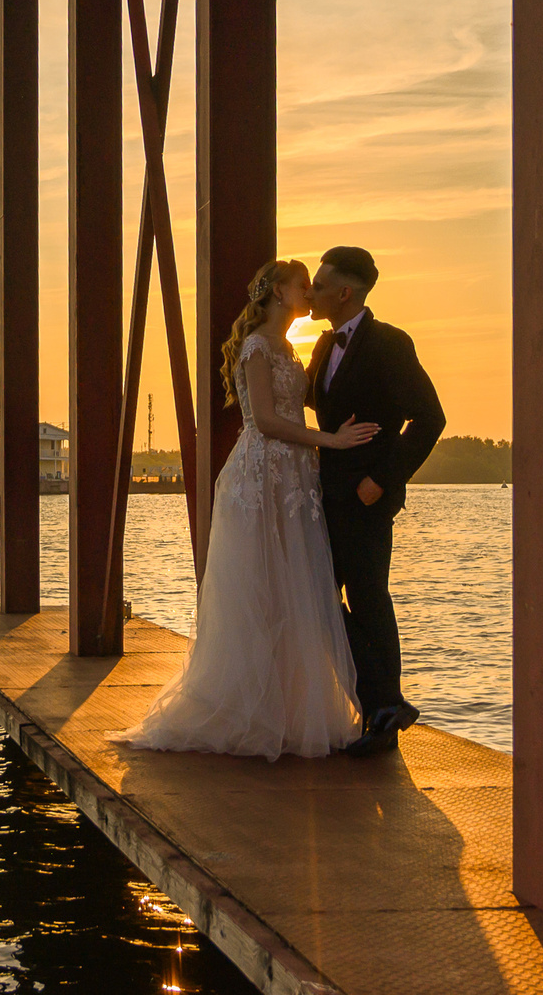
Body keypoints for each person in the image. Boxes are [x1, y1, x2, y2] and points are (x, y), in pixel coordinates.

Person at [116, 259, 380, 760]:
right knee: (259, 589)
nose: (309, 292)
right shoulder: (258, 346)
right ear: (279, 291)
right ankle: (245, 709)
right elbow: (263, 420)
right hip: (261, 477)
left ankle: (287, 712)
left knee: (292, 587)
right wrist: (333, 442)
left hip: (295, 478)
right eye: (302, 285)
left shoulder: (287, 346)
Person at [305, 245, 446, 756]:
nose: (312, 292)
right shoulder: (321, 348)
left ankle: (383, 713)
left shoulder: (389, 343)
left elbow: (430, 419)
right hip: (324, 496)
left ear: (345, 292)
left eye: (320, 285)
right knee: (319, 596)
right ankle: (382, 701)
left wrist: (382, 481)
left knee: (367, 598)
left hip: (366, 500)